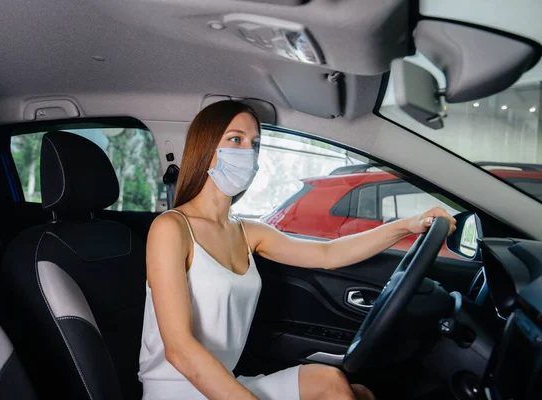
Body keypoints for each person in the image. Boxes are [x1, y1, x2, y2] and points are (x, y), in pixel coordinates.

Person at [138, 100, 457, 400]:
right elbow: (179, 348)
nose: (249, 151)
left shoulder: (248, 232)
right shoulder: (172, 228)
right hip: (178, 391)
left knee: (338, 386)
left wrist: (407, 226)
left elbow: (328, 255)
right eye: (236, 140)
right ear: (206, 149)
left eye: (255, 144)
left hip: (225, 381)